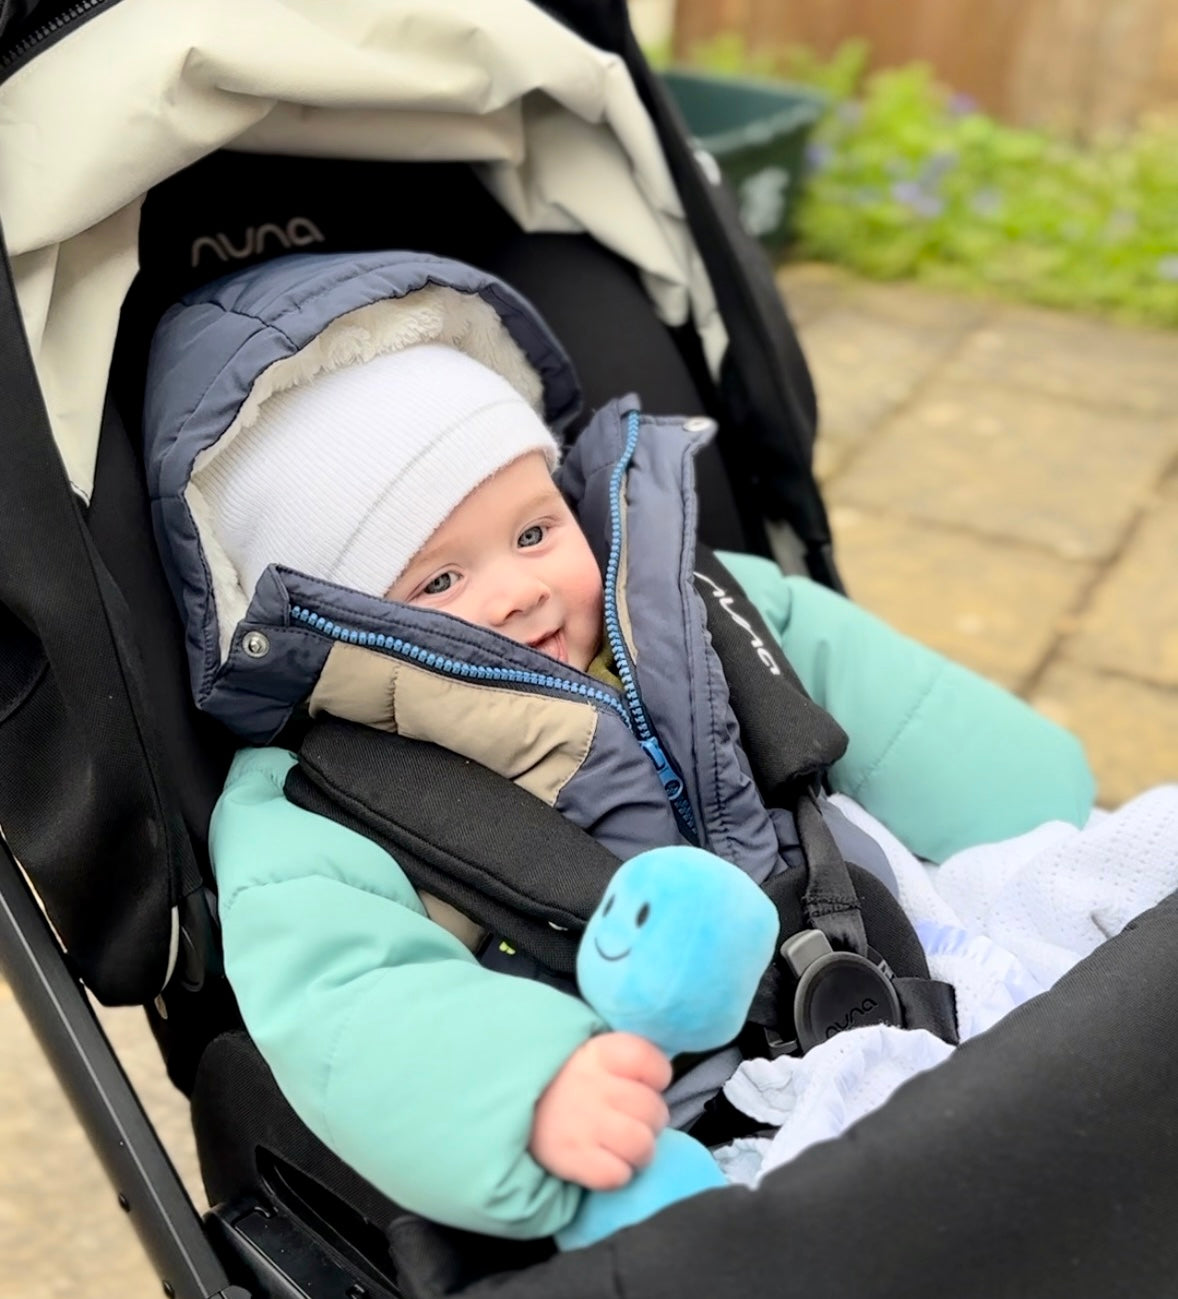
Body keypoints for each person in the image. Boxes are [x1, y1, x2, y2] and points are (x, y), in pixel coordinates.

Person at [143, 249, 1095, 1239]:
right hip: (662, 1121)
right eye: (436, 582)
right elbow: (353, 999)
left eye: (530, 533)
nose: (518, 590)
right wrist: (527, 1090)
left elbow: (900, 710)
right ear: (331, 617)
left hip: (900, 965)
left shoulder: (698, 606)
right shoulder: (314, 806)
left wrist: (1041, 812)